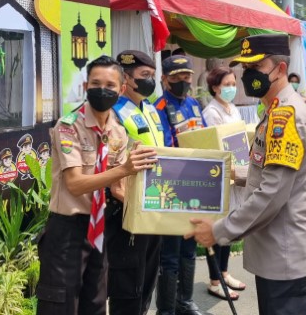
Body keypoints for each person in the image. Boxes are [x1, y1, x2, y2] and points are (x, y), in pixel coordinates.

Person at [186, 34, 306, 315]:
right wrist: (221, 176)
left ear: (280, 70)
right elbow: (262, 174)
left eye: (255, 68)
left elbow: (271, 194)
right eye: (245, 69)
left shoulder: (287, 116)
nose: (247, 76)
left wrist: (218, 230)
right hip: (278, 256)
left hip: (286, 257)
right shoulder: (272, 112)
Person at [36, 56, 157, 315]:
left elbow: (118, 189)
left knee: (95, 303)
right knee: (61, 305)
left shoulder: (118, 132)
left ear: (122, 89)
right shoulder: (68, 127)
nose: (103, 90)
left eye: (111, 85)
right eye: (96, 83)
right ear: (86, 87)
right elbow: (76, 184)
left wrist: (157, 209)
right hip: (67, 232)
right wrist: (125, 169)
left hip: (100, 228)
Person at [106, 51, 164, 315]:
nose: (150, 81)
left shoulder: (151, 109)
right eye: (144, 76)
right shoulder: (114, 113)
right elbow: (112, 169)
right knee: (127, 283)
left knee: (148, 277)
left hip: (154, 204)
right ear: (125, 79)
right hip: (127, 209)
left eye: (152, 76)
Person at [153, 55, 206, 315]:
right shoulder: (159, 107)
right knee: (170, 253)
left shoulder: (194, 104)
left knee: (189, 247)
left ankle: (184, 301)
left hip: (194, 187)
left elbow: (205, 138)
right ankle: (166, 308)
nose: (183, 82)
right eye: (177, 78)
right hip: (170, 188)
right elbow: (163, 148)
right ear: (165, 79)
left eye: (187, 77)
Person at [201, 66, 247, 301]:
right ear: (215, 86)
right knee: (218, 229)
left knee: (228, 228)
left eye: (233, 83)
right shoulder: (212, 111)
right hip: (220, 174)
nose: (231, 88)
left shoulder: (233, 109)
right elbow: (217, 142)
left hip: (235, 171)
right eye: (226, 84)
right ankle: (215, 280)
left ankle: (225, 272)